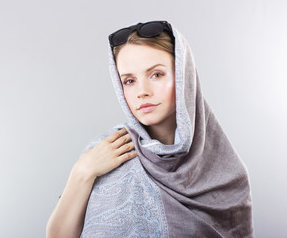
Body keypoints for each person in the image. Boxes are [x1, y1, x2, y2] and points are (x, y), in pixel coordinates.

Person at [46, 20, 254, 238]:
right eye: (129, 80)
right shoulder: (107, 151)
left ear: (184, 76)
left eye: (156, 74)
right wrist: (82, 172)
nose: (142, 91)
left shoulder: (228, 173)